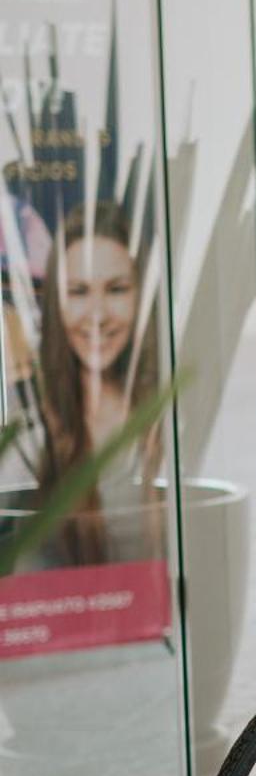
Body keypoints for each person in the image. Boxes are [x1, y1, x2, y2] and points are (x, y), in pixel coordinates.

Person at [34, 202, 165, 566]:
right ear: (56, 307)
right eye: (78, 291)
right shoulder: (31, 441)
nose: (98, 314)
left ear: (140, 297)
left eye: (117, 289)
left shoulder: (168, 424)